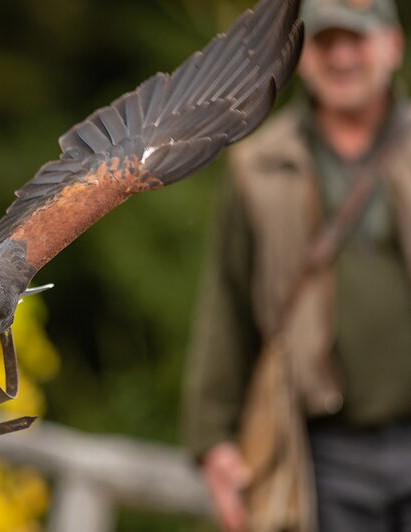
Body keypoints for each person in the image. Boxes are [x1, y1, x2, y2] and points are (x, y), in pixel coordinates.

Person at [183, 0, 410, 530]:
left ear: (393, 46)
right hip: (320, 453)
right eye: (327, 41)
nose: (343, 57)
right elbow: (227, 304)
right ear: (302, 55)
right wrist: (213, 439)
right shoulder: (258, 163)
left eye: (358, 39)